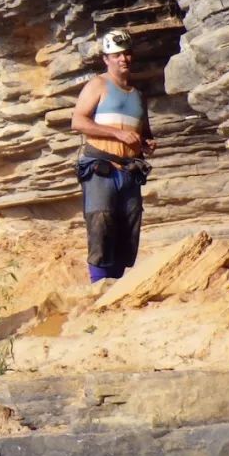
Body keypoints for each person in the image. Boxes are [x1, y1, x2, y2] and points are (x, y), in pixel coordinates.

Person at [71, 29, 156, 283]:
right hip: (101, 166)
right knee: (101, 221)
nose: (123, 59)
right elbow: (78, 121)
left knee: (128, 227)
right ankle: (99, 284)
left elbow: (142, 132)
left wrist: (147, 143)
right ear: (106, 59)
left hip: (129, 170)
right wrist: (117, 134)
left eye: (127, 54)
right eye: (117, 55)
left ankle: (117, 285)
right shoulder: (98, 85)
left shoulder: (138, 95)